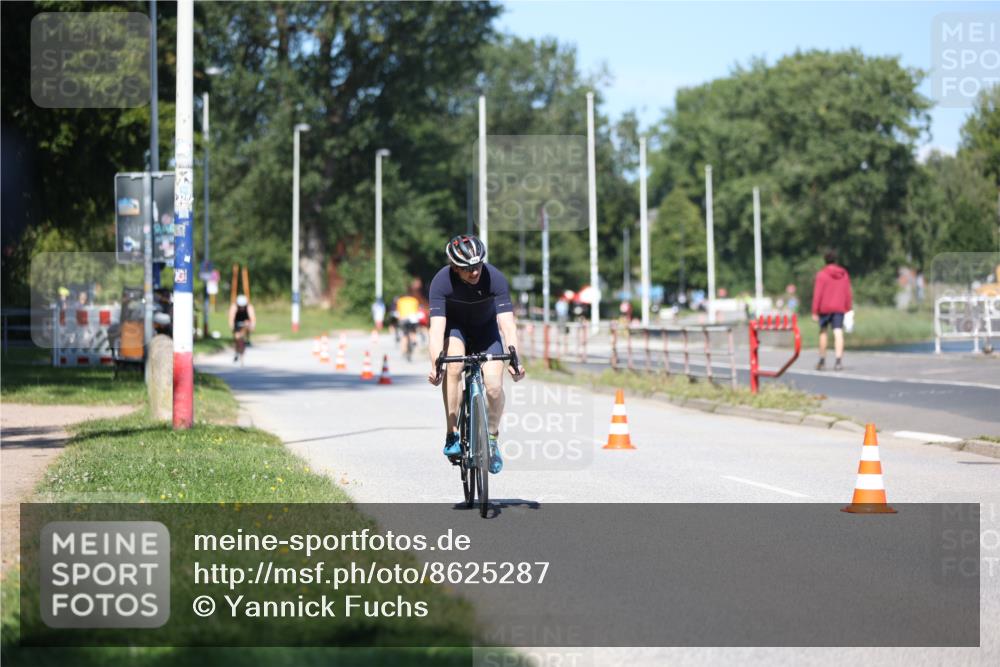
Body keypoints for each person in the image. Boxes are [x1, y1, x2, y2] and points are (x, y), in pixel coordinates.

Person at [427, 234, 525, 474]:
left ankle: (492, 437)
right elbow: (437, 328)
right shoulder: (441, 282)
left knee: (493, 387)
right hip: (456, 330)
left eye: (478, 265)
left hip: (486, 332)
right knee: (454, 367)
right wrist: (435, 363)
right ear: (454, 267)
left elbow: (507, 325)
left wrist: (515, 359)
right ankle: (452, 433)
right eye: (468, 268)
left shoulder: (495, 278)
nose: (474, 272)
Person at [811, 249, 852, 371]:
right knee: (838, 332)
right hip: (839, 307)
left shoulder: (822, 275)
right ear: (836, 260)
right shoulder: (844, 274)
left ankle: (822, 360)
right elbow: (847, 292)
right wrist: (848, 307)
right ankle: (838, 361)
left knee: (823, 332)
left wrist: (814, 310)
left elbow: (817, 293)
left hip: (825, 308)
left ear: (825, 260)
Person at [228, 294, 256, 362]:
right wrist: (232, 327)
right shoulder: (234, 307)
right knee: (237, 337)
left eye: (243, 306)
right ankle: (237, 350)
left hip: (245, 322)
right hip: (237, 322)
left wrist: (252, 326)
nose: (242, 308)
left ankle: (246, 340)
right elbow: (231, 318)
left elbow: (252, 317)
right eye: (240, 306)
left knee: (245, 328)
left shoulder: (249, 307)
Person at [395, 291, 422, 360]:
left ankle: (403, 351)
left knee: (404, 335)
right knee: (413, 333)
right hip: (413, 319)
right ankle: (416, 347)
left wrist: (398, 320)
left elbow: (398, 311)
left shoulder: (400, 301)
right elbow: (417, 311)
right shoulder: (414, 300)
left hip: (403, 319)